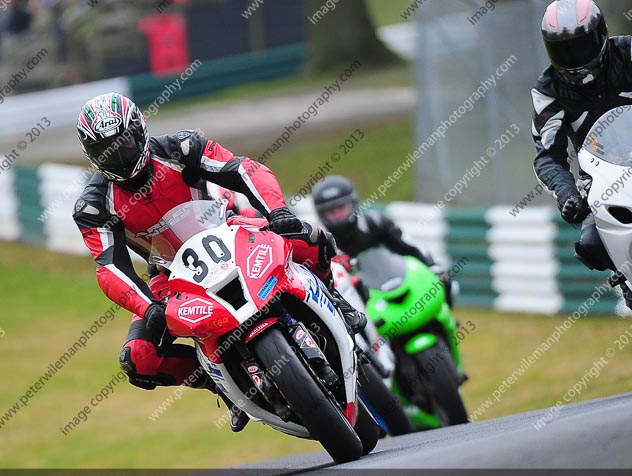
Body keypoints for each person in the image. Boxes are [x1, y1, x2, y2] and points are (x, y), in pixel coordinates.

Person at [72, 92, 365, 432]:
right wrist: (148, 307)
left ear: (140, 130)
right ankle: (222, 384)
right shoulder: (93, 206)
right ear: (89, 154)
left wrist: (279, 211)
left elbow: (244, 169)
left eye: (123, 144)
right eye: (104, 150)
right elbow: (109, 267)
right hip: (170, 274)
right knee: (139, 358)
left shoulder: (182, 148)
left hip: (230, 231)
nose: (119, 158)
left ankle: (335, 299)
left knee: (310, 237)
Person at [532, 0, 632, 304]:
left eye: (580, 46)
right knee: (590, 243)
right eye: (563, 50)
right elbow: (548, 155)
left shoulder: (629, 53)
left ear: (601, 34)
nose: (574, 58)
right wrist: (567, 195)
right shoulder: (548, 90)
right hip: (606, 183)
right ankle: (628, 283)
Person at [311, 175, 453, 305]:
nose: (337, 215)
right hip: (361, 304)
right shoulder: (322, 244)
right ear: (321, 214)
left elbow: (410, 246)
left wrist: (432, 266)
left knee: (444, 281)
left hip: (393, 285)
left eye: (341, 208)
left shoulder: (375, 223)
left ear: (352, 204)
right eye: (330, 211)